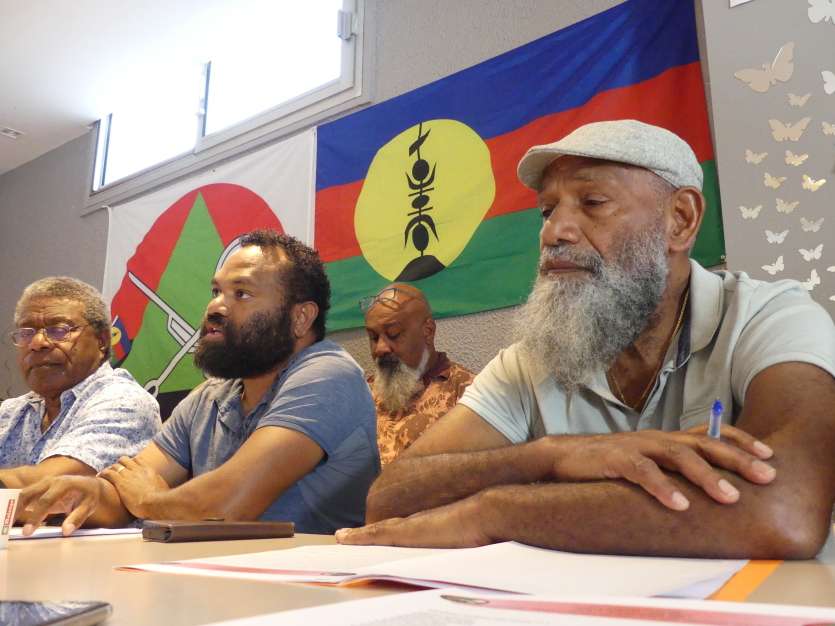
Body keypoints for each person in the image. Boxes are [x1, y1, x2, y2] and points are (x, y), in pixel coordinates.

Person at [336, 120, 835, 559]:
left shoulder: (768, 318)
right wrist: (551, 456)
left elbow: (784, 510)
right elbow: (390, 499)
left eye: (592, 203)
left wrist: (495, 511)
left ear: (680, 220)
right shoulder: (531, 360)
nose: (553, 232)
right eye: (546, 210)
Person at [19, 230, 379, 535]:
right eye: (216, 291)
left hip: (314, 588)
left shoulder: (329, 374)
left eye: (241, 293)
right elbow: (123, 490)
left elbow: (227, 505)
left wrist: (150, 500)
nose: (215, 307)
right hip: (219, 578)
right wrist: (87, 494)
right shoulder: (210, 396)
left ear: (300, 318)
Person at [0, 277, 160, 489]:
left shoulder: (125, 402)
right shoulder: (12, 411)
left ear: (102, 341)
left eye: (59, 330)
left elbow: (52, 485)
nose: (37, 343)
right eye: (26, 333)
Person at [362, 284, 475, 464]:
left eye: (393, 334)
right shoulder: (362, 394)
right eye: (373, 337)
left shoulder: (468, 395)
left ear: (428, 331)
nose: (380, 348)